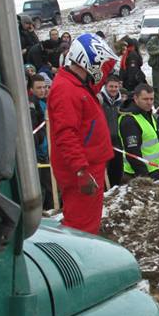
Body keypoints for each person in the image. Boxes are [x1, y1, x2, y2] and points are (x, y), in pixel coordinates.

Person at [49, 33, 119, 234]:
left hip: (89, 163)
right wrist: (81, 170)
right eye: (100, 62)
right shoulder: (66, 90)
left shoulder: (78, 82)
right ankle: (78, 261)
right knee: (82, 225)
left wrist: (111, 55)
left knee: (87, 220)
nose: (101, 67)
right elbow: (65, 134)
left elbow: (100, 75)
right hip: (81, 167)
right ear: (88, 61)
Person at [118, 84, 159, 182]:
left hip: (153, 170)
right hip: (138, 175)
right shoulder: (129, 119)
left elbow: (153, 144)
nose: (149, 103)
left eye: (151, 99)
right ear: (135, 98)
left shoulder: (147, 114)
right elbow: (132, 152)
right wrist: (145, 178)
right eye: (145, 99)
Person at [97, 74, 126, 187]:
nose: (113, 89)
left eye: (115, 87)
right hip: (103, 139)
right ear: (106, 86)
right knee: (104, 169)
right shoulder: (100, 100)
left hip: (117, 140)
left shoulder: (120, 102)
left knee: (117, 169)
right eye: (111, 86)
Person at [28, 74, 52, 209]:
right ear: (32, 89)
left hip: (48, 148)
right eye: (39, 88)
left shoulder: (46, 102)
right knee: (43, 188)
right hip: (39, 151)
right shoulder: (32, 104)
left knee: (49, 186)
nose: (42, 90)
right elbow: (33, 128)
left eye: (44, 87)